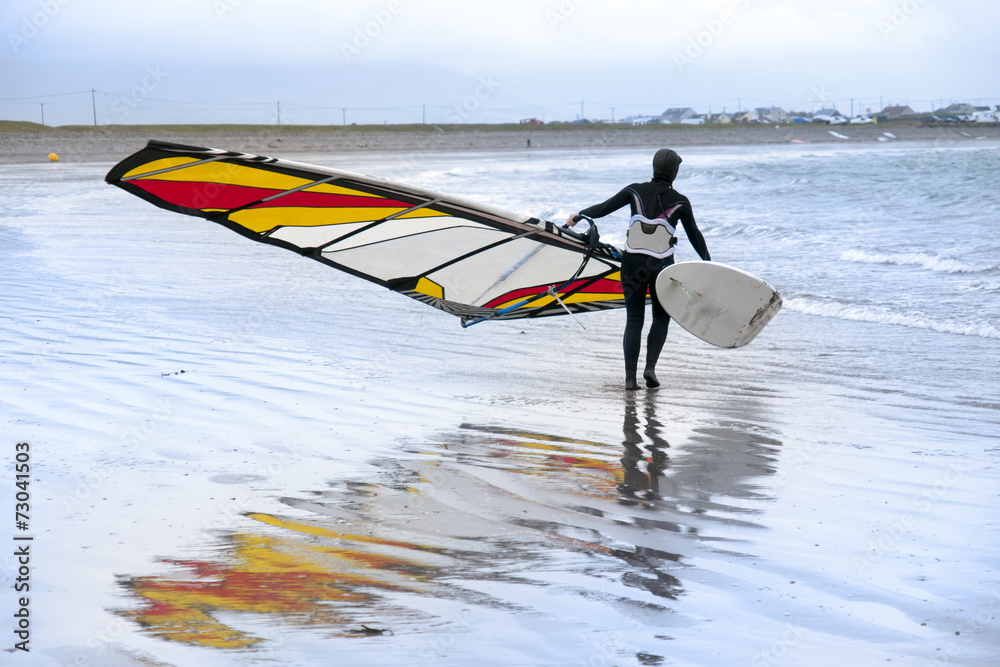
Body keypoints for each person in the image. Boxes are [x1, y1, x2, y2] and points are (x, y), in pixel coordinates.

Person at [566, 148, 710, 390]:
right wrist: (708, 263)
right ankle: (650, 368)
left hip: (632, 265)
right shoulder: (681, 202)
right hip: (662, 267)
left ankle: (630, 379)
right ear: (674, 171)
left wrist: (579, 216)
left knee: (634, 319)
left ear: (654, 168)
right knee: (661, 318)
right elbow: (695, 235)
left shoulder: (634, 190)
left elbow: (603, 208)